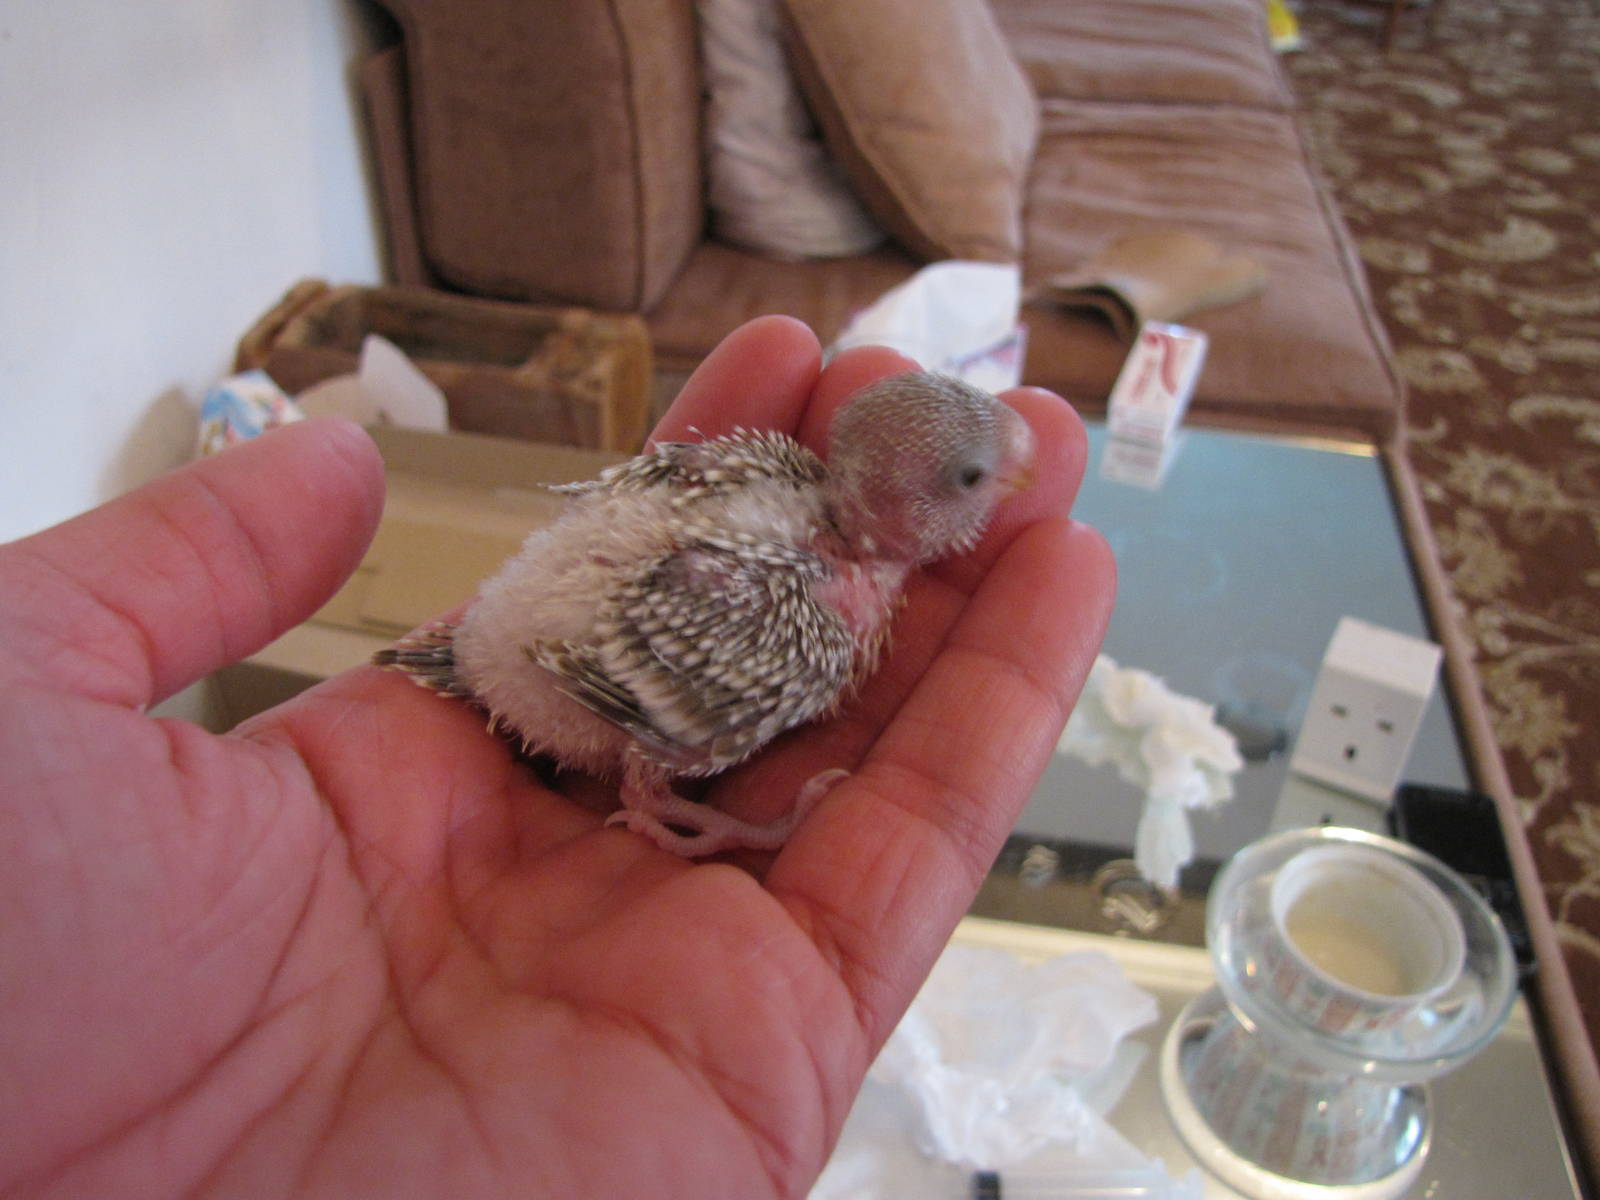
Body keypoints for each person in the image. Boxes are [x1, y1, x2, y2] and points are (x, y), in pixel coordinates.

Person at [0, 315, 1114, 1198]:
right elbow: (641, 712)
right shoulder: (814, 614)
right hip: (563, 689)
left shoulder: (753, 467)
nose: (1002, 479)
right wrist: (737, 822)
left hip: (518, 631)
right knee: (686, 741)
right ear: (893, 501)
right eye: (972, 478)